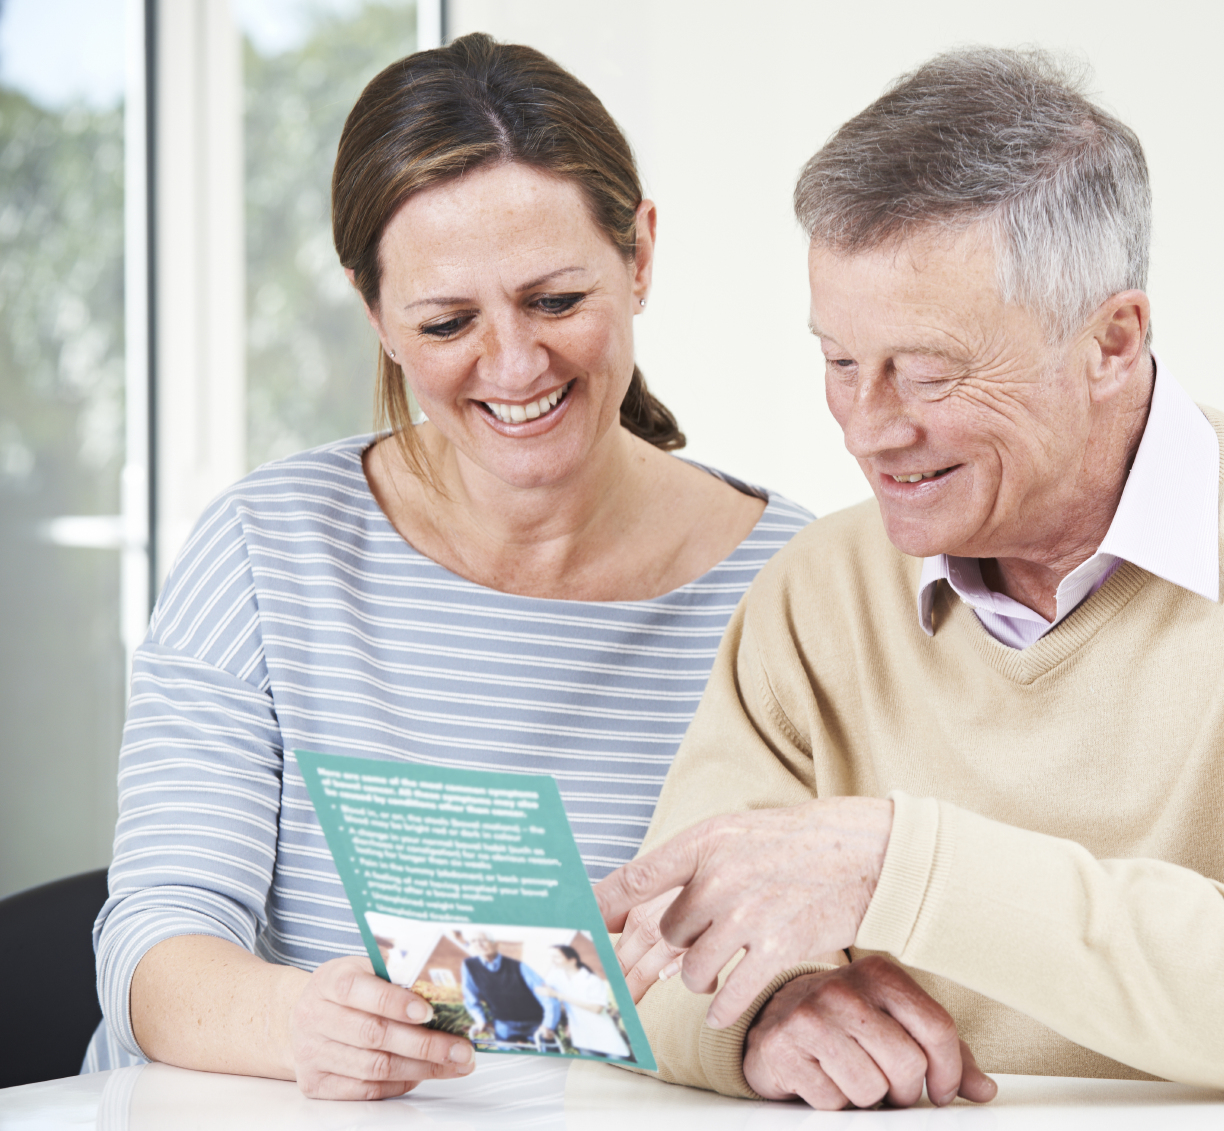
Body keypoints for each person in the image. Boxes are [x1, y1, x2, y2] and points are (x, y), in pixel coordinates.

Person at [598, 48, 1224, 1111]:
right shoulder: (816, 592)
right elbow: (648, 954)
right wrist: (762, 1020)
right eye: (840, 362)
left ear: (1112, 340)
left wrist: (900, 865)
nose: (870, 427)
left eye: (929, 373)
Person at [85, 34, 810, 1100]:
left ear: (641, 256)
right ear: (374, 312)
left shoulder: (793, 585)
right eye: (446, 321)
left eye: (556, 301)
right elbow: (153, 937)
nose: (515, 365)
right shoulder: (265, 548)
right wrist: (299, 1022)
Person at [458, 932, 558, 1046]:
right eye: (474, 941)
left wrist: (548, 1025)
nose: (479, 945)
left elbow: (547, 995)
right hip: (504, 1023)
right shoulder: (469, 966)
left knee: (548, 1056)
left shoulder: (517, 966)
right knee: (506, 1059)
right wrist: (480, 1020)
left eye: (483, 940)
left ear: (496, 944)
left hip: (535, 1021)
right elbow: (470, 996)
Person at [538, 944, 633, 1060]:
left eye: (556, 957)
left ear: (572, 960)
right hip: (581, 1037)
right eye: (551, 957)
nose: (553, 960)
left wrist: (559, 995)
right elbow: (542, 988)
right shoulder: (558, 979)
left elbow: (596, 1008)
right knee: (592, 1073)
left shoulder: (592, 980)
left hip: (604, 1037)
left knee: (618, 1071)